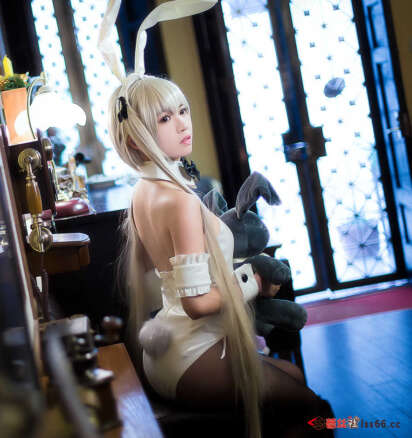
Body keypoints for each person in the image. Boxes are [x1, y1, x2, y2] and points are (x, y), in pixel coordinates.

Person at [108, 74, 334, 437]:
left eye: (183, 110)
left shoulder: (143, 191)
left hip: (166, 352)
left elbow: (168, 273)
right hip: (192, 356)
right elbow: (196, 303)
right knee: (313, 409)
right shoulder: (179, 199)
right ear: (135, 137)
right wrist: (253, 281)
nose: (183, 124)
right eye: (165, 118)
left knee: (293, 376)